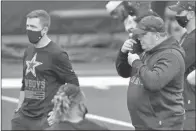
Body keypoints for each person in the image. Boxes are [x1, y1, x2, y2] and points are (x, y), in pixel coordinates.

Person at [11, 10, 79, 130]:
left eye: (33, 26)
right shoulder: (28, 51)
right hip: (22, 119)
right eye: (27, 26)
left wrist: (59, 113)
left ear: (44, 30)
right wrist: (19, 107)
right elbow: (24, 82)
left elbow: (73, 85)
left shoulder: (57, 54)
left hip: (45, 120)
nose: (29, 30)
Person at [116, 15, 186, 130]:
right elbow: (124, 72)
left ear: (157, 36)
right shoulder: (147, 52)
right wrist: (123, 54)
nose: (139, 38)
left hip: (163, 125)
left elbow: (153, 82)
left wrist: (137, 63)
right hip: (147, 124)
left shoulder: (171, 55)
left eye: (143, 35)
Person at [169, 1, 196, 130]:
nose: (177, 15)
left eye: (180, 12)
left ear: (191, 14)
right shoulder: (186, 36)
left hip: (191, 105)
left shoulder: (193, 39)